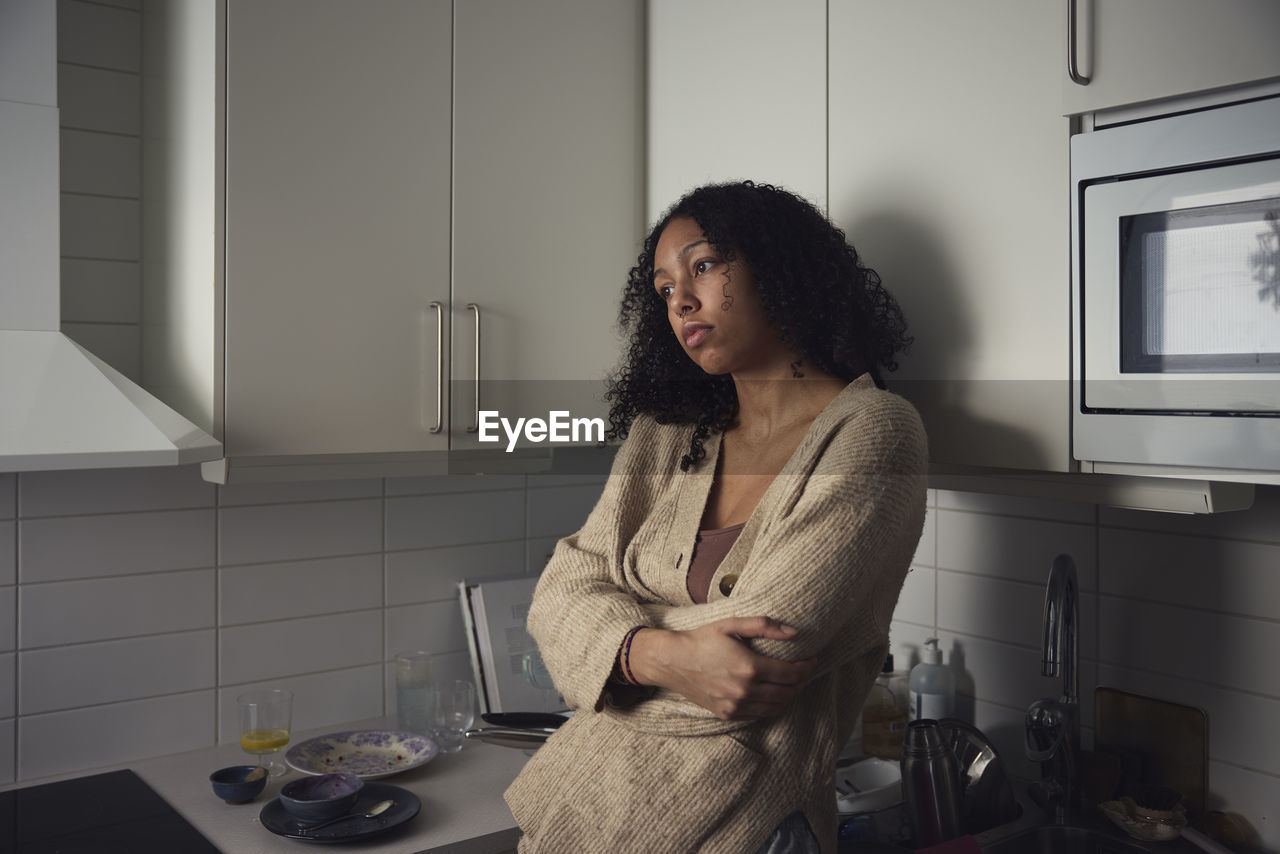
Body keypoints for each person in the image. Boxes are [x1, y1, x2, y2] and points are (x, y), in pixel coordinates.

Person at [504, 181, 928, 853]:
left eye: (702, 266)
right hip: (580, 821)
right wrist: (657, 654)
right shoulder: (668, 430)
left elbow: (759, 657)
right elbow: (559, 589)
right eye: (665, 288)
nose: (682, 302)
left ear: (778, 268)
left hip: (736, 829)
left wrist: (607, 645)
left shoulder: (875, 434)